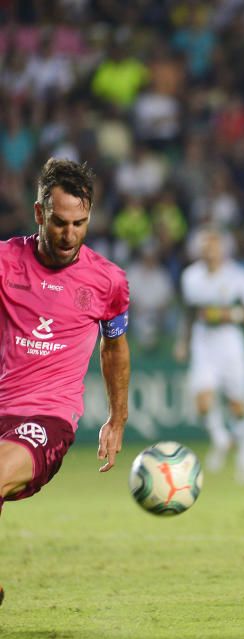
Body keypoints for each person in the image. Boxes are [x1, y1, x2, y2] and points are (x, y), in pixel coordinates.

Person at [0, 158, 131, 605]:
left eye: (80, 223)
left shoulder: (108, 281)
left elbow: (114, 347)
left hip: (47, 417)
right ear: (39, 214)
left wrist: (117, 418)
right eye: (59, 222)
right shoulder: (4, 263)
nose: (69, 234)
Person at [174, 228, 244, 484]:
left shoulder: (237, 275)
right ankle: (221, 439)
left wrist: (232, 315)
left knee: (238, 405)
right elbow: (190, 311)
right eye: (205, 248)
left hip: (230, 343)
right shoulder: (191, 276)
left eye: (214, 247)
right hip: (204, 343)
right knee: (202, 402)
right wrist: (183, 342)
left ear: (222, 250)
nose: (210, 252)